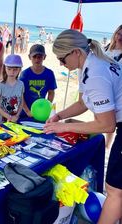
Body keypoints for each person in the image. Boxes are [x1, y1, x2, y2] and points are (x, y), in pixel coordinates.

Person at [43, 29, 122, 224]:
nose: (61, 64)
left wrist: (64, 128)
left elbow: (107, 124)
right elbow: (84, 103)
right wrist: (60, 115)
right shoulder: (90, 62)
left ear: (76, 52)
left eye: (62, 59)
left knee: (114, 190)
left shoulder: (94, 73)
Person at [19, 44, 57, 118]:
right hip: (24, 112)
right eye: (34, 57)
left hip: (41, 112)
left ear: (44, 57)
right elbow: (20, 95)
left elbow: (51, 92)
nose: (37, 59)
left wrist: (47, 107)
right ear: (29, 57)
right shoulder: (25, 74)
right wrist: (27, 111)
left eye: (40, 57)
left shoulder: (49, 73)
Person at [0, 54, 31, 126]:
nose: (12, 72)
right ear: (5, 68)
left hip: (13, 122)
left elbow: (21, 102)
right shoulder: (0, 85)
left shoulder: (21, 84)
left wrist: (17, 116)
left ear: (19, 69)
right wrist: (9, 117)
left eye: (15, 69)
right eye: (9, 69)